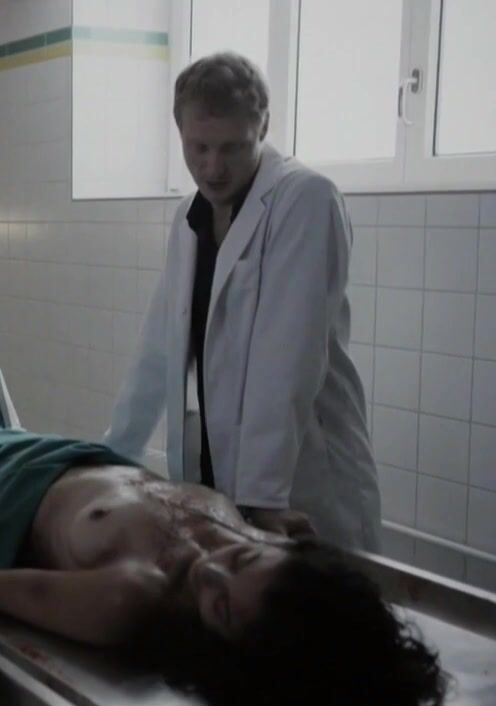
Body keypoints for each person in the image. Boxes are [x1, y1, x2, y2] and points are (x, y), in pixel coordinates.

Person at [0, 417, 445, 706]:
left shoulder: (129, 596)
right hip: (54, 452)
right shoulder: (273, 548)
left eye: (218, 606)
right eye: (241, 556)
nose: (210, 569)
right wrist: (269, 523)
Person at [104, 51, 381, 550]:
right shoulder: (189, 216)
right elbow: (159, 348)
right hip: (218, 473)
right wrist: (112, 458)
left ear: (264, 127)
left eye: (232, 148)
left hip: (299, 480)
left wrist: (263, 496)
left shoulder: (305, 199)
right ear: (179, 133)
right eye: (198, 148)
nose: (212, 168)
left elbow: (287, 358)